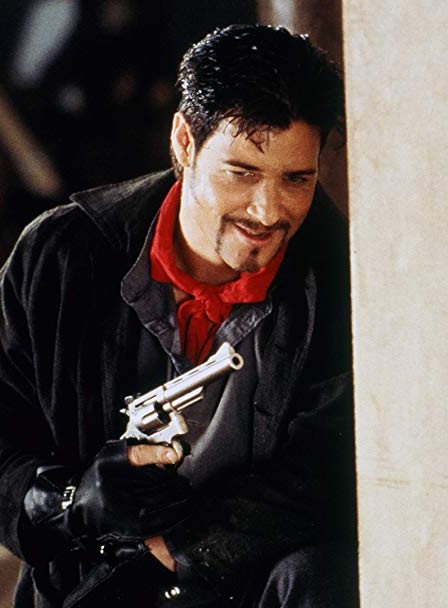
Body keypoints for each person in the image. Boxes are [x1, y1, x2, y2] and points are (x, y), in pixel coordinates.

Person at [0, 25, 355, 607]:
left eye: (297, 179)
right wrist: (69, 501)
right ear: (185, 141)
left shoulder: (345, 278)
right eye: (242, 172)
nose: (268, 211)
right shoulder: (59, 256)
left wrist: (174, 556)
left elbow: (328, 472)